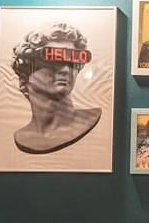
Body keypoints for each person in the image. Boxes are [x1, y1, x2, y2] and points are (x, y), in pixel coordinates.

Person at [8, 25, 101, 155]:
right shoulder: (23, 137)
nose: (66, 70)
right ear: (27, 69)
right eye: (54, 60)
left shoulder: (88, 120)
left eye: (72, 62)